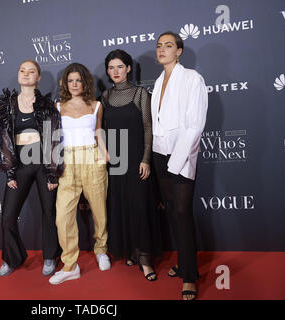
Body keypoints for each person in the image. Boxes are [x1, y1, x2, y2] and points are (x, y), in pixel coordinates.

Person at [151, 31, 208, 300]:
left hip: (181, 157)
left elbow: (195, 125)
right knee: (172, 211)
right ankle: (183, 262)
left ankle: (189, 276)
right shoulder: (158, 81)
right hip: (160, 155)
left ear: (179, 51)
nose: (162, 49)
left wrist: (175, 162)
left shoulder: (192, 79)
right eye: (159, 46)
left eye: (168, 45)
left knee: (183, 213)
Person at [0, 60, 63, 277]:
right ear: (18, 75)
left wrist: (53, 172)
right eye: (22, 70)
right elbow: (2, 139)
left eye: (31, 71)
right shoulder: (7, 105)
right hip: (20, 164)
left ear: (38, 77)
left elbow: (54, 137)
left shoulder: (46, 104)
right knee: (8, 216)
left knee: (49, 211)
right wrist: (10, 171)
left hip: (43, 163)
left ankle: (50, 257)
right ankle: (12, 258)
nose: (25, 74)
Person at [101, 49, 162, 282]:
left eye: (120, 67)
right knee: (121, 207)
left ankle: (146, 260)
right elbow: (102, 131)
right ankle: (131, 252)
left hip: (137, 159)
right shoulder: (105, 97)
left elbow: (149, 128)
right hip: (115, 163)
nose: (115, 71)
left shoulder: (140, 94)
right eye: (111, 67)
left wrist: (146, 159)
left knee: (140, 208)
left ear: (128, 68)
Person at [49, 63, 110, 285]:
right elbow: (53, 138)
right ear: (65, 83)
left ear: (85, 82)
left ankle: (101, 249)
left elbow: (98, 132)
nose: (75, 84)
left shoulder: (96, 106)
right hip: (67, 162)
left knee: (99, 209)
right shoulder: (57, 106)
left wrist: (104, 154)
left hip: (92, 159)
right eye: (71, 80)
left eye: (79, 80)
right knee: (63, 216)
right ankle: (70, 265)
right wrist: (52, 167)